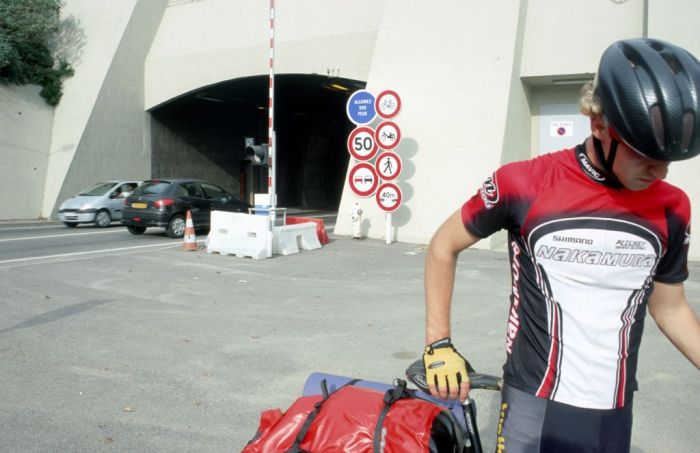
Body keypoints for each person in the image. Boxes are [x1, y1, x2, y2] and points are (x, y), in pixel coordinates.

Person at [422, 38, 700, 452]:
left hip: (613, 409)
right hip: (534, 404)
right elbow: (443, 245)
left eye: (669, 159)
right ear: (599, 125)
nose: (659, 170)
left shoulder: (673, 207)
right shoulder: (524, 183)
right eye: (644, 154)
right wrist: (438, 343)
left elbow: (671, 307)